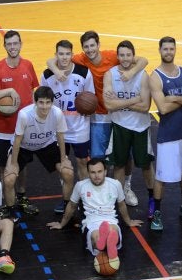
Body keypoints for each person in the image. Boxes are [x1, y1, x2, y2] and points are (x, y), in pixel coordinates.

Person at [46, 31, 149, 207]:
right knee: (97, 157)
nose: (90, 49)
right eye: (86, 47)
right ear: (82, 49)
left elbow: (143, 60)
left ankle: (126, 187)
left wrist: (131, 73)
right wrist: (55, 70)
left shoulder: (112, 56)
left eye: (92, 45)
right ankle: (97, 191)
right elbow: (51, 60)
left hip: (119, 113)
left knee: (125, 155)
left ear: (98, 45)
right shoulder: (80, 59)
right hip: (97, 116)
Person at [0, 30, 40, 215]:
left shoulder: (28, 65)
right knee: (1, 168)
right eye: (9, 44)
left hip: (23, 129)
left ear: (21, 44)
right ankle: (4, 201)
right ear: (4, 46)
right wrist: (7, 91)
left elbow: (33, 92)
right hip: (2, 129)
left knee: (21, 166)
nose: (13, 47)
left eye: (15, 43)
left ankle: (21, 197)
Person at [47, 158, 142, 261]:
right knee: (97, 235)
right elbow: (71, 206)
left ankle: (105, 242)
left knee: (112, 230)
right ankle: (105, 244)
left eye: (99, 171)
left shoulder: (115, 184)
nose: (96, 175)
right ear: (88, 173)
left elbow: (122, 205)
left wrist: (128, 221)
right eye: (93, 172)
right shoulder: (81, 186)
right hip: (91, 221)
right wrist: (62, 224)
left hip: (110, 218)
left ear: (105, 172)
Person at [1, 86, 74, 219]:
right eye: (41, 102)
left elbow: (60, 136)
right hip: (23, 146)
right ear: (35, 102)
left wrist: (64, 159)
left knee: (68, 173)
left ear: (52, 103)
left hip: (46, 144)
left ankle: (66, 206)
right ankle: (11, 212)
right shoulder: (24, 114)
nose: (44, 106)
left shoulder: (57, 113)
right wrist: (13, 163)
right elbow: (17, 140)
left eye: (48, 102)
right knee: (9, 179)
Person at [148, 36, 182, 231]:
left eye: (171, 49)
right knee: (162, 177)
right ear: (160, 51)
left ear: (175, 50)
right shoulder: (155, 77)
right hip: (168, 134)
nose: (168, 52)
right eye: (165, 49)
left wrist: (174, 97)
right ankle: (157, 213)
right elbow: (162, 108)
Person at [41, 39, 95, 214]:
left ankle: (86, 199)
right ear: (55, 54)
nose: (64, 57)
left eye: (67, 54)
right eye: (60, 54)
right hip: (58, 129)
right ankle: (67, 200)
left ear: (72, 55)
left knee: (81, 163)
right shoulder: (47, 75)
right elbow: (42, 101)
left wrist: (89, 107)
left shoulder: (84, 73)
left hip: (80, 127)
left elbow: (91, 97)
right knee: (63, 165)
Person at [103, 40, 155, 219]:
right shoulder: (110, 74)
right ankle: (119, 200)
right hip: (119, 126)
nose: (125, 58)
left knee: (146, 165)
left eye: (128, 55)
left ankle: (152, 200)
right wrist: (134, 101)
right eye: (122, 55)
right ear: (117, 56)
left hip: (141, 126)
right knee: (118, 164)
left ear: (134, 56)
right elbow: (109, 104)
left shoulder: (142, 75)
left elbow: (145, 106)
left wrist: (121, 103)